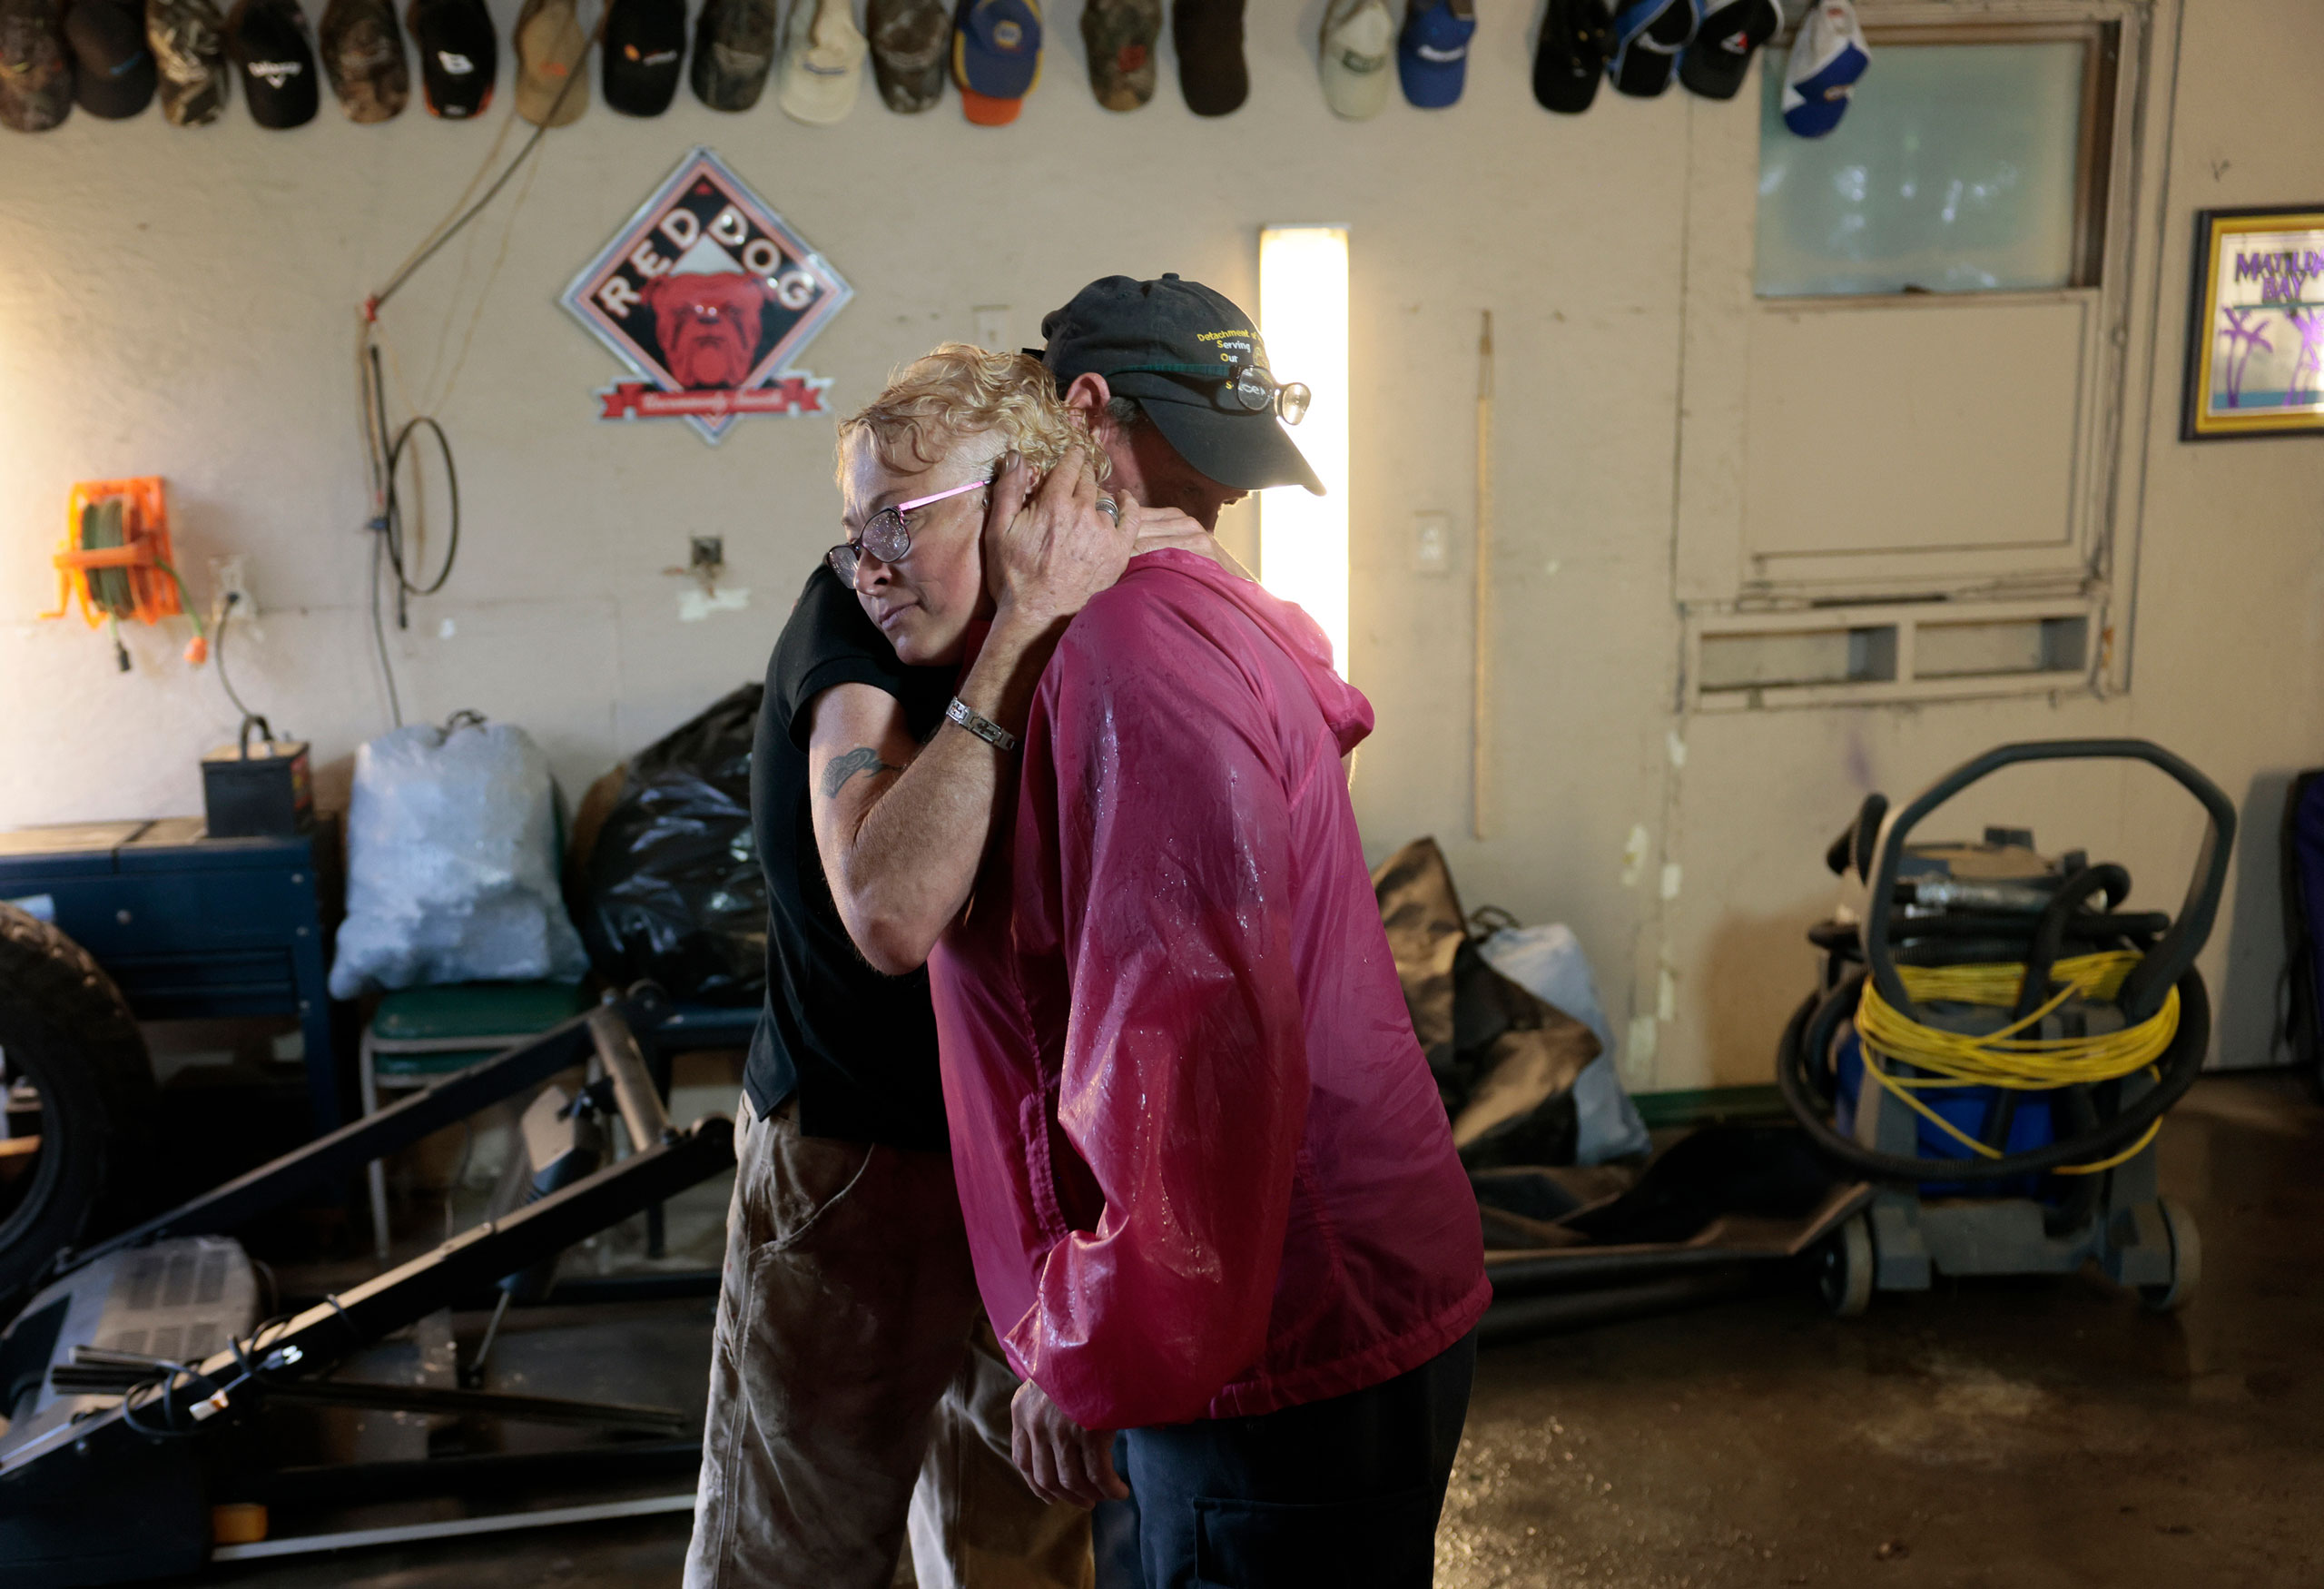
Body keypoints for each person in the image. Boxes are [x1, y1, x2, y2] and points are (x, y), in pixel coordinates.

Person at [828, 278, 1492, 1588]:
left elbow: (1189, 1042)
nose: (873, 562)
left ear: (1063, 442)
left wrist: (1101, 1341)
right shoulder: (1152, 629)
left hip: (1272, 1335)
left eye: (905, 520)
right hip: (1297, 1308)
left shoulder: (1133, 649)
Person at [684, 350, 1210, 1584]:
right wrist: (1020, 626)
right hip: (854, 1157)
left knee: (1013, 1538)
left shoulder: (1088, 599)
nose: (866, 555)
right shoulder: (852, 631)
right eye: (854, 522)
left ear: (1022, 501)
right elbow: (889, 913)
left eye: (898, 522)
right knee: (795, 1546)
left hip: (1018, 1167)